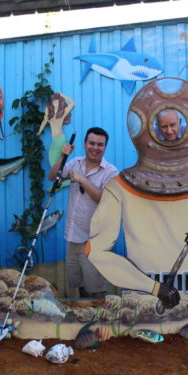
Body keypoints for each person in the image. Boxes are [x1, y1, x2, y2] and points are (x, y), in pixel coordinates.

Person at [87, 78, 188, 312]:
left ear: (184, 124)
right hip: (150, 301)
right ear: (152, 127)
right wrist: (155, 288)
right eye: (164, 126)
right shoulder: (120, 186)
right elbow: (95, 250)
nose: (169, 131)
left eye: (174, 125)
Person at [49, 127, 119, 298]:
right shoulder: (74, 163)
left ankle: (99, 322)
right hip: (73, 237)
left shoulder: (111, 172)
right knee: (80, 284)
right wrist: (62, 156)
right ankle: (86, 320)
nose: (95, 147)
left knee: (96, 288)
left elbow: (105, 200)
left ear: (105, 147)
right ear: (85, 144)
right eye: (92, 143)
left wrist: (82, 179)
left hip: (94, 241)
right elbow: (53, 177)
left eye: (100, 145)